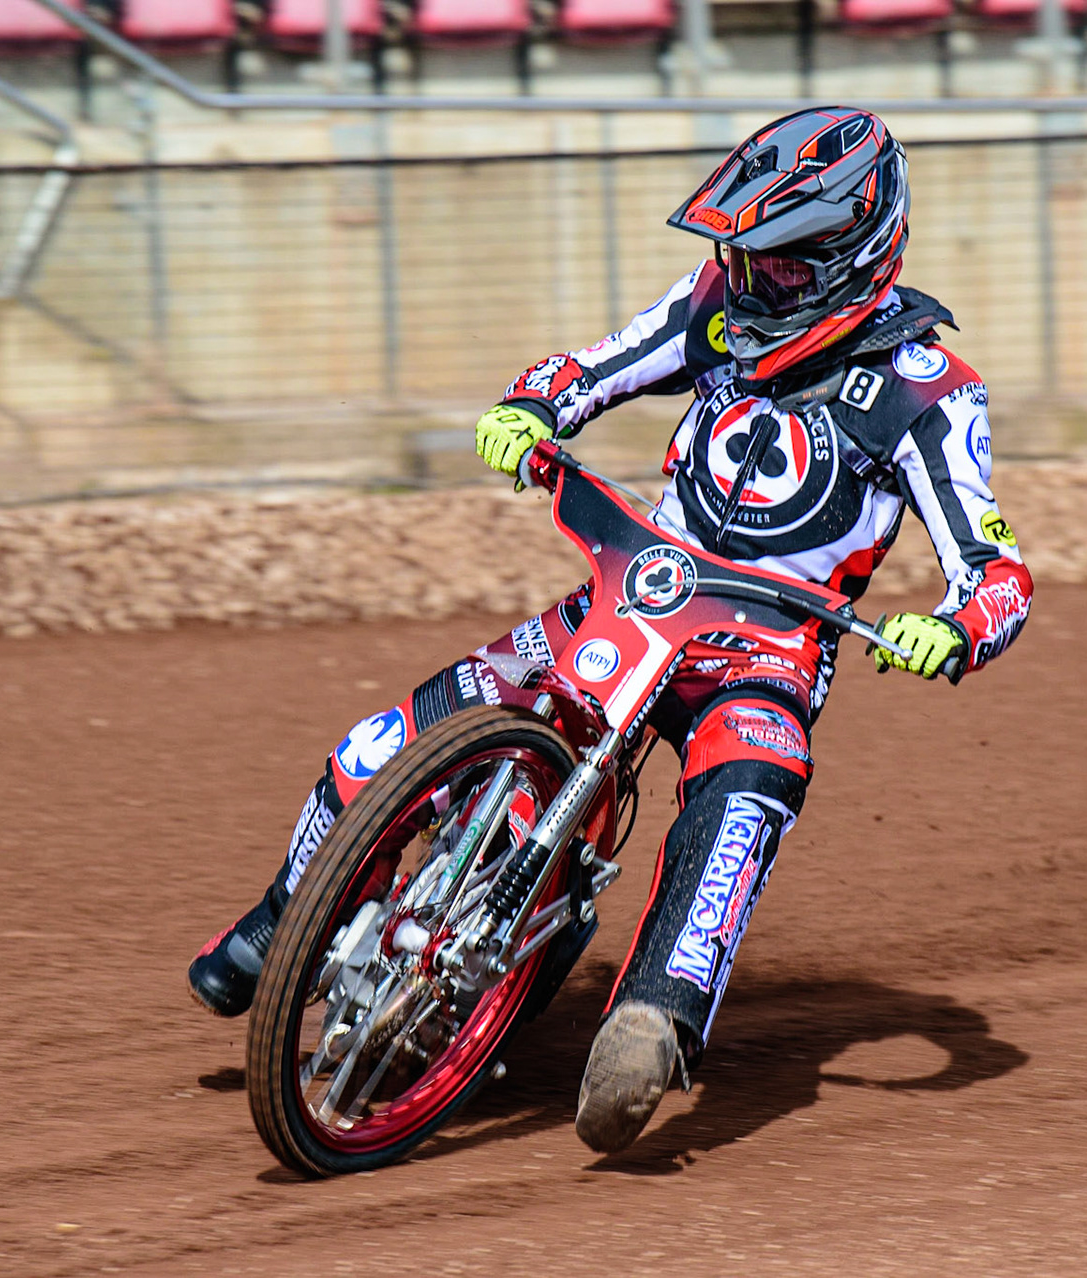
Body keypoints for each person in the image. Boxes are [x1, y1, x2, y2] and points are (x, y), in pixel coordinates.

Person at [188, 107, 1033, 1155]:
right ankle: (282, 923)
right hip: (630, 596)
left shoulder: (929, 392)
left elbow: (995, 567)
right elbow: (594, 366)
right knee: (385, 741)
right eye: (741, 255)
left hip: (764, 653)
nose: (748, 277)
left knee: (748, 792)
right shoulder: (718, 303)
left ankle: (653, 1017)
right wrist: (533, 407)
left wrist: (953, 629)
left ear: (845, 256)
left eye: (775, 264)